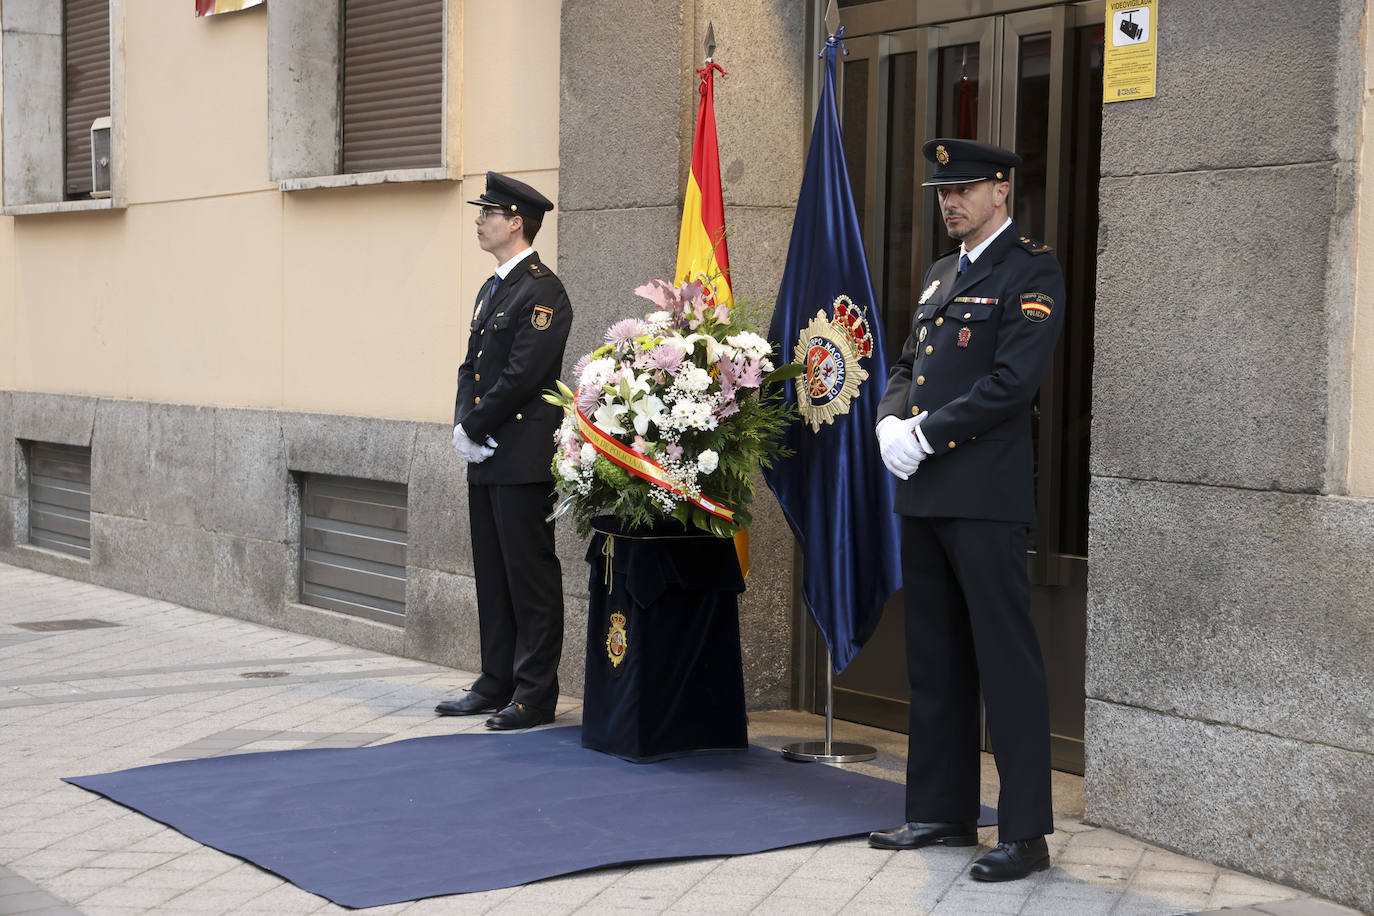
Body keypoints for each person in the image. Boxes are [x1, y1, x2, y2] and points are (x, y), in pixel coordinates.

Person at [868, 138, 1065, 881]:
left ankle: (1023, 832)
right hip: (924, 492)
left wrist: (926, 432)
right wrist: (890, 420)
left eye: (965, 189)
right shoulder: (942, 273)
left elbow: (1014, 382)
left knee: (1005, 662)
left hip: (983, 496)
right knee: (937, 659)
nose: (949, 201)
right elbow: (905, 364)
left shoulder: (1031, 269)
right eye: (942, 190)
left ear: (1002, 191)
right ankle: (941, 812)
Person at [435, 171, 572, 731]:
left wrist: (479, 423)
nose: (479, 220)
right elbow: (473, 365)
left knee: (528, 577)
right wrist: (464, 423)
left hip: (520, 456)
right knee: (492, 575)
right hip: (488, 454)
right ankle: (496, 681)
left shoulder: (544, 290)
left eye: (487, 212)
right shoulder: (493, 288)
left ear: (516, 222)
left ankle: (535, 694)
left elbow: (522, 375)